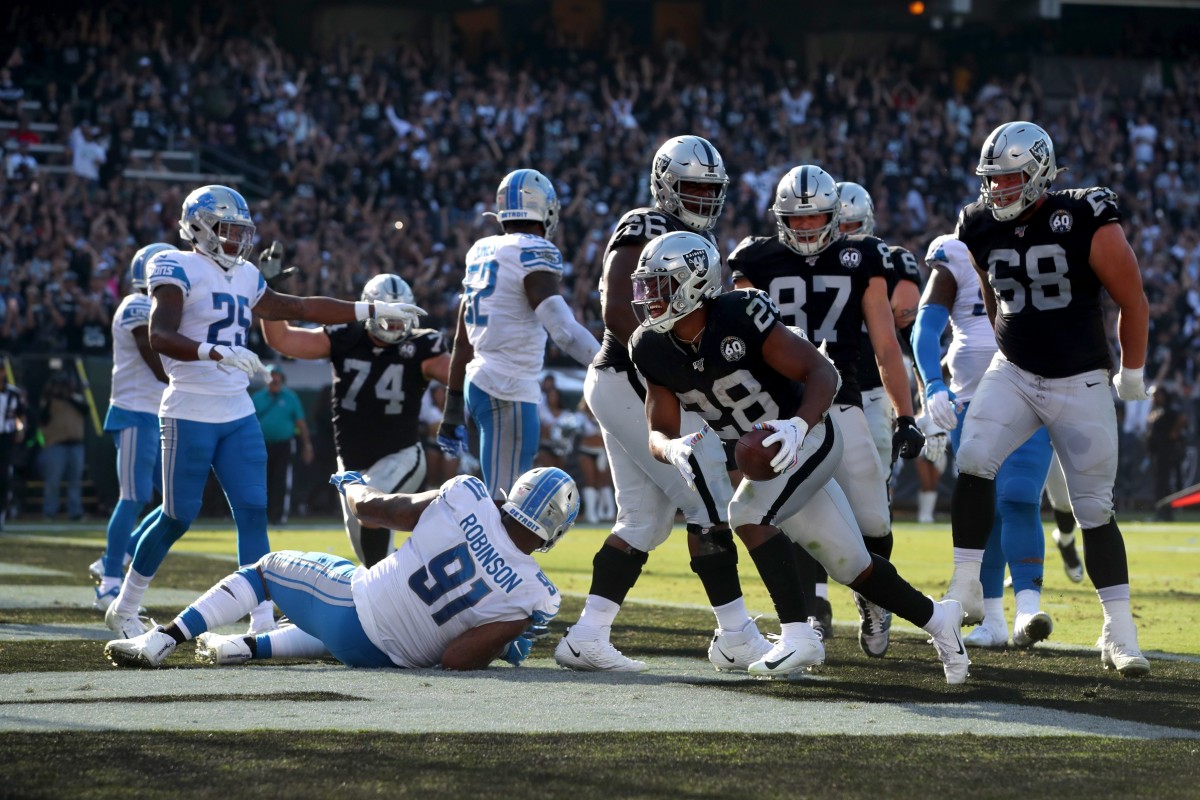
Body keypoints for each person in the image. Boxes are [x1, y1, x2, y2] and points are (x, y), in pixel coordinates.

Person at [629, 231, 968, 682]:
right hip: (771, 454)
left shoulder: (740, 313)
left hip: (807, 434)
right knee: (853, 565)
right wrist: (671, 448)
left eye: (659, 286)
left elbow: (820, 371)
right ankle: (940, 620)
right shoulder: (648, 345)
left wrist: (798, 425)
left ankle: (798, 633)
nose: (649, 298)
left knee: (746, 513)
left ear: (693, 283)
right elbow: (658, 430)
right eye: (646, 286)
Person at [103, 184, 426, 640]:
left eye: (241, 230)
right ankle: (125, 604)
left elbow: (300, 306)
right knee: (178, 515)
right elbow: (160, 335)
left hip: (236, 409)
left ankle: (260, 617)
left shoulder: (247, 274)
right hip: (189, 404)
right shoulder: (174, 264)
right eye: (228, 229)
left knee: (254, 510)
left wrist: (368, 308)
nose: (238, 239)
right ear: (200, 227)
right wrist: (212, 350)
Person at [945, 121, 1151, 676]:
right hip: (1013, 369)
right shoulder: (978, 223)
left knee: (1093, 510)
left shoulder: (1085, 214)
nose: (999, 191)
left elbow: (1133, 299)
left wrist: (1131, 373)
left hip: (1080, 378)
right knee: (973, 458)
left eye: (1011, 179)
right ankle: (965, 587)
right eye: (993, 180)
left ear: (1039, 174)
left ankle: (1120, 631)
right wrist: (1004, 353)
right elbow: (993, 298)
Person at [553, 136, 748, 674]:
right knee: (707, 490)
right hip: (627, 374)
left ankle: (586, 635)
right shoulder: (647, 225)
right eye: (692, 188)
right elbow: (617, 306)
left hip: (634, 381)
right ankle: (736, 634)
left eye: (712, 190)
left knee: (643, 521)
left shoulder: (699, 239)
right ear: (664, 185)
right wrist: (669, 365)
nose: (704, 200)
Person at [104, 466, 578, 671]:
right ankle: (246, 648)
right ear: (558, 530)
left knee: (265, 571)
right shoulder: (537, 595)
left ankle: (162, 639)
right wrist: (507, 639)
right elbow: (458, 658)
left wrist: (351, 485)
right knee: (342, 600)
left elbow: (374, 511)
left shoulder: (467, 494)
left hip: (355, 615)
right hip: (395, 659)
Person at [730, 165, 925, 657]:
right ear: (779, 219)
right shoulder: (755, 259)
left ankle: (872, 600)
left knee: (875, 521)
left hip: (841, 402)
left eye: (815, 217)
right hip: (780, 411)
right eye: (795, 220)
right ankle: (804, 618)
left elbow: (885, 344)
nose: (805, 229)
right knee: (792, 514)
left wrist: (904, 416)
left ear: (834, 216)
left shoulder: (862, 258)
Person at [914, 232, 1056, 649]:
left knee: (1019, 497)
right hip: (970, 400)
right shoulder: (955, 251)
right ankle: (992, 618)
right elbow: (925, 328)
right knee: (986, 508)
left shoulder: (1045, 243)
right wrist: (933, 385)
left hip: (1034, 389)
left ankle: (1027, 607)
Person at [261, 272, 451, 566]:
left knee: (370, 511)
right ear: (370, 310)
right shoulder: (346, 337)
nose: (396, 322)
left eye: (402, 314)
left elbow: (463, 378)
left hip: (399, 454)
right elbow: (282, 339)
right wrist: (271, 294)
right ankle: (407, 592)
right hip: (350, 466)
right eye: (389, 314)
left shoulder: (422, 346)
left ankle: (441, 537)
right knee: (371, 558)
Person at [438, 169, 600, 499]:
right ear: (545, 209)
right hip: (506, 387)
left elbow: (461, 337)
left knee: (508, 496)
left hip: (482, 382)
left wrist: (453, 407)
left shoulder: (481, 251)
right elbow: (563, 330)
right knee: (505, 504)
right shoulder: (533, 251)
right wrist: (608, 361)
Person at [91, 243, 172, 611]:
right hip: (135, 411)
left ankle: (118, 551)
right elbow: (155, 361)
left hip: (152, 413)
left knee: (173, 500)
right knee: (133, 496)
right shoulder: (136, 305)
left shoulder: (153, 308)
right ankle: (109, 580)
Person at [837, 182, 924, 483]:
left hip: (874, 393)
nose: (845, 234)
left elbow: (912, 336)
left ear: (868, 223)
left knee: (874, 486)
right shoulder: (804, 266)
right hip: (819, 394)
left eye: (852, 226)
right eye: (838, 226)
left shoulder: (891, 261)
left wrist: (925, 396)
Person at [251, 365, 312, 525]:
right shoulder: (257, 398)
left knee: (281, 480)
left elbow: (301, 423)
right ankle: (261, 516)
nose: (275, 378)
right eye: (271, 375)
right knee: (261, 481)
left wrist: (307, 446)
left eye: (278, 375)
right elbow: (249, 424)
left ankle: (278, 516)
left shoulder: (290, 397)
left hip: (284, 445)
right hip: (261, 445)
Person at [38, 370, 87, 520]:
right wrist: (53, 396)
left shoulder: (77, 399)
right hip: (55, 444)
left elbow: (86, 410)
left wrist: (68, 396)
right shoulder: (49, 400)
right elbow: (42, 418)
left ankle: (75, 512)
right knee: (52, 480)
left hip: (76, 444)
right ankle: (49, 511)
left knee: (75, 481)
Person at [1043, 452, 1085, 582]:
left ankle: (1065, 542)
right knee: (1022, 500)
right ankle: (1021, 572)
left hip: (1055, 436)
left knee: (1065, 503)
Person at [0, 364, 26, 529]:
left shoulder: (13, 394)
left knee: (3, 478)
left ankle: (1, 514)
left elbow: (20, 415)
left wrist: (20, 429)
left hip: (5, 439)